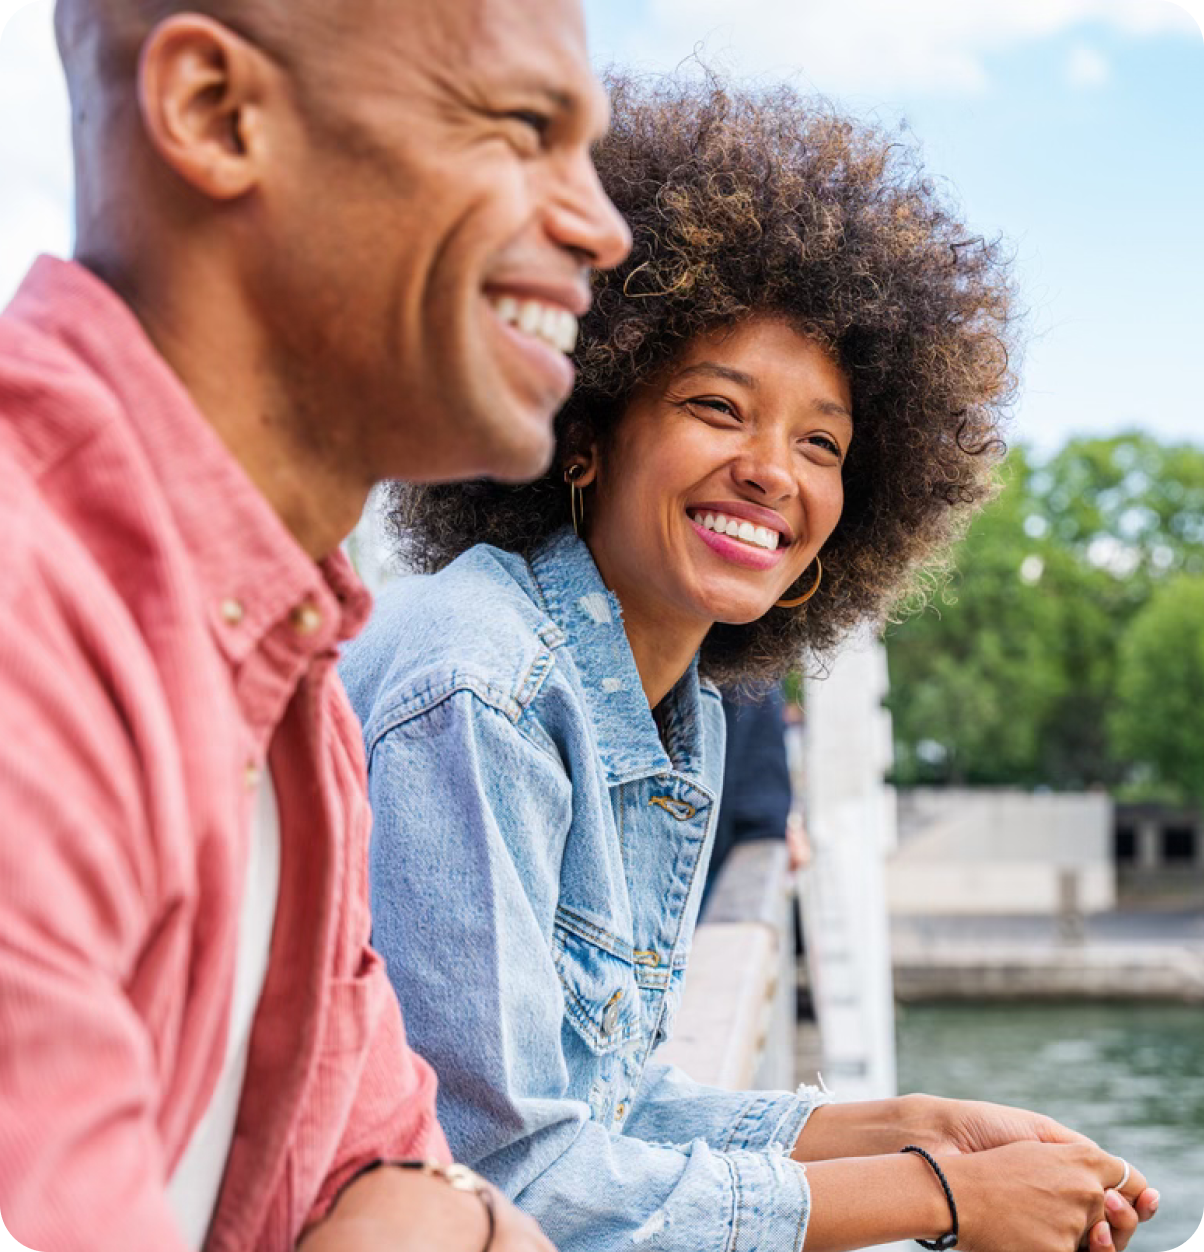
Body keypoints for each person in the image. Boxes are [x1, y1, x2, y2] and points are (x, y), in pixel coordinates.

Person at [342, 75, 1160, 1252]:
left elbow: (611, 1111)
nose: (773, 470)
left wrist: (918, 1126)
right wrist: (939, 1199)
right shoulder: (483, 682)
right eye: (719, 408)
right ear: (587, 429)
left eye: (820, 441)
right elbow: (509, 1175)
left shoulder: (683, 707)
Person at [0, 0, 629, 1248]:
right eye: (519, 128)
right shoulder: (30, 617)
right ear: (216, 114)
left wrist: (438, 1206)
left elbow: (379, 1155)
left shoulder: (279, 657)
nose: (601, 224)